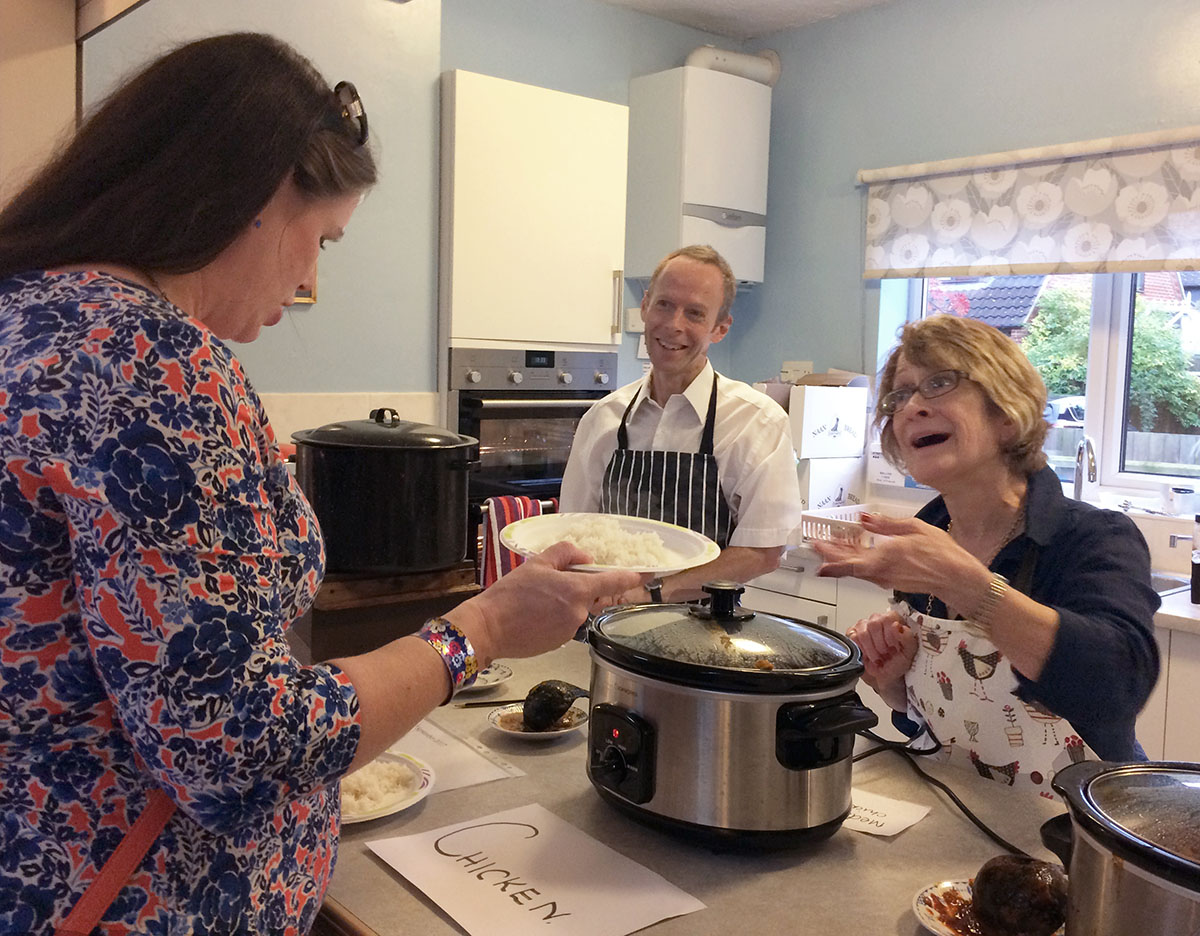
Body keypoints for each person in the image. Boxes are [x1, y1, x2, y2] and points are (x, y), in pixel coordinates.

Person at [0, 33, 641, 936]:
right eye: (322, 240)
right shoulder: (154, 362)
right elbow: (236, 745)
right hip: (144, 901)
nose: (309, 278)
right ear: (257, 196)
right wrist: (482, 630)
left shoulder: (26, 313)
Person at [813, 315, 1160, 792]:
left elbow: (1116, 687)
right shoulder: (931, 532)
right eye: (901, 394)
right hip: (956, 815)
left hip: (1073, 836)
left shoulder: (1093, 538)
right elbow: (940, 731)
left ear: (1005, 412)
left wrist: (967, 583)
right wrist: (895, 686)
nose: (912, 407)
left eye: (939, 383)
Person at [560, 245, 802, 603]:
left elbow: (761, 551)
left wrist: (651, 594)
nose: (674, 325)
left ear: (720, 328)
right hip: (608, 632)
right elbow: (574, 532)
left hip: (707, 640)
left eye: (694, 313)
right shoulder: (602, 419)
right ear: (644, 305)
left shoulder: (756, 423)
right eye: (664, 305)